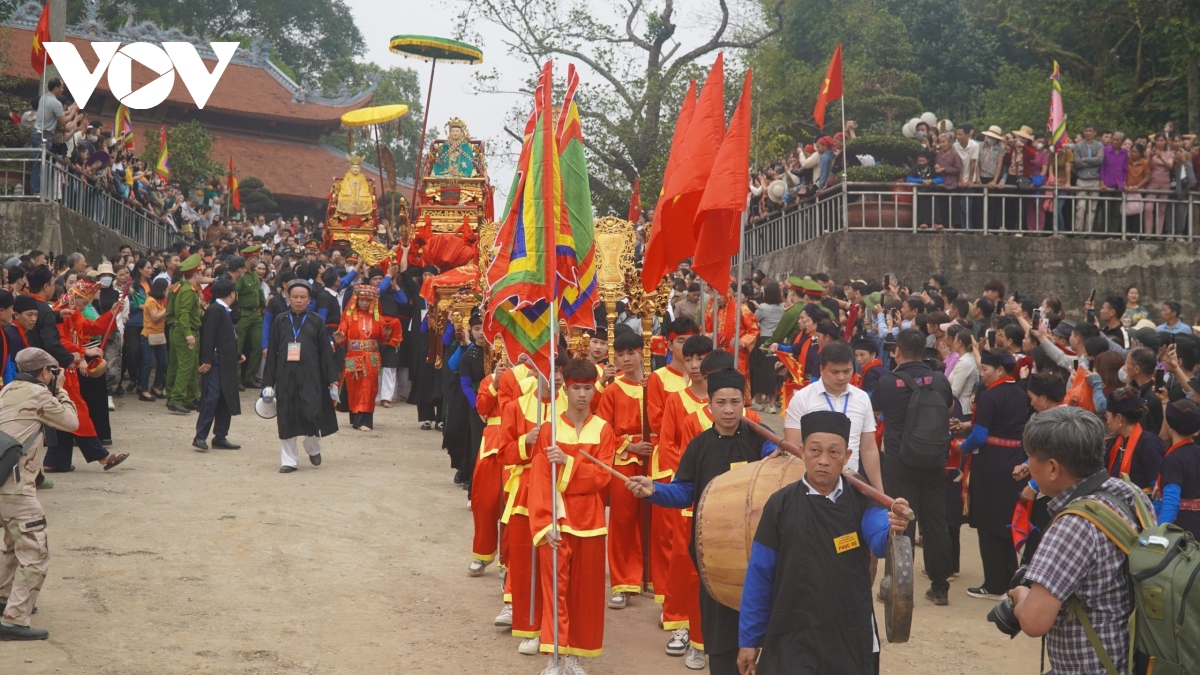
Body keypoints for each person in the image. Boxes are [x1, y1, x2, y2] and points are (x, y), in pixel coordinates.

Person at [626, 367, 778, 674]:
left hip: (755, 552)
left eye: (735, 402)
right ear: (708, 406)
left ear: (743, 403)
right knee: (721, 638)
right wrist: (654, 490)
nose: (728, 409)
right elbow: (684, 492)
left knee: (766, 632)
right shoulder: (699, 445)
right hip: (715, 554)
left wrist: (777, 453)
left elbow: (777, 465)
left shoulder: (760, 439)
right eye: (721, 402)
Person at [736, 410, 911, 675]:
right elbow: (760, 575)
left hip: (848, 630)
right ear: (802, 451)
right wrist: (749, 640)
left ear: (847, 457)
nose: (823, 461)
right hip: (792, 632)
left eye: (834, 453)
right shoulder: (780, 505)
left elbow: (879, 538)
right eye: (815, 451)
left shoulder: (861, 500)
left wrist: (893, 529)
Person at [1009, 406, 1151, 675]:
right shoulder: (1130, 494)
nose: (1028, 466)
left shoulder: (1073, 525)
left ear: (1052, 468)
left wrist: (1021, 594)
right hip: (1131, 659)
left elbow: (1033, 621)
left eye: (1030, 458)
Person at [527, 358, 618, 674]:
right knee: (554, 591)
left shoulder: (603, 430)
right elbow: (540, 477)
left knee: (585, 595)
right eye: (575, 387)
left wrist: (567, 462)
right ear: (564, 389)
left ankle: (575, 657)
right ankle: (554, 658)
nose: (582, 394)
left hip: (591, 523)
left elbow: (602, 478)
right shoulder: (550, 429)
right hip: (556, 521)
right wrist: (541, 524)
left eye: (587, 388)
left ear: (595, 390)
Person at [0, 348, 79, 640]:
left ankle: (4, 598)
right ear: (46, 371)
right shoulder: (41, 395)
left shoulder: (8, 389)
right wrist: (61, 392)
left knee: (11, 543)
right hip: (16, 488)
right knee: (35, 551)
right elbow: (72, 422)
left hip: (3, 483)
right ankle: (14, 620)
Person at [871, 329, 954, 605]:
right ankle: (940, 587)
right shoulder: (940, 380)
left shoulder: (886, 382)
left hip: (899, 461)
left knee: (900, 524)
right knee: (935, 523)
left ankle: (897, 585)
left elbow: (876, 413)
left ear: (897, 350)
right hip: (933, 461)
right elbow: (949, 407)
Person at [495, 354, 567, 656]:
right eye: (550, 371)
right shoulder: (517, 406)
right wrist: (527, 440)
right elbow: (504, 453)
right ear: (535, 373)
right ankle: (526, 621)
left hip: (564, 490)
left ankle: (557, 629)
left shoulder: (574, 406)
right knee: (525, 558)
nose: (557, 378)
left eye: (561, 371)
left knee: (559, 563)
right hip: (526, 489)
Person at [953, 349, 1028, 600]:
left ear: (999, 370)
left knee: (987, 522)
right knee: (1005, 520)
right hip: (1014, 460)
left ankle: (994, 584)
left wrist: (959, 447)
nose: (982, 373)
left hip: (990, 463)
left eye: (985, 369)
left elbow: (979, 437)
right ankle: (1009, 577)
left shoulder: (990, 395)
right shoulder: (1020, 393)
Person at [594, 330, 652, 609]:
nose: (626, 359)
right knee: (623, 522)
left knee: (654, 522)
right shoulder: (612, 390)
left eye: (631, 353)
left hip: (654, 461)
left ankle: (650, 579)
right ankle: (623, 582)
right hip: (624, 464)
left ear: (642, 352)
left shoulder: (656, 385)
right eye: (620, 355)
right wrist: (629, 446)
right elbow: (603, 430)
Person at [261, 279, 340, 473]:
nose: (298, 301)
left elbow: (325, 352)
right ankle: (289, 461)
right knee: (286, 418)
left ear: (309, 299)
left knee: (312, 414)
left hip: (311, 376)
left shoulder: (316, 321)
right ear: (288, 298)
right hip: (285, 375)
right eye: (294, 297)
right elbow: (272, 353)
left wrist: (332, 377)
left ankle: (312, 447)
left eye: (302, 297)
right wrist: (268, 382)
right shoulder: (280, 321)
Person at [783, 341, 881, 490]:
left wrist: (879, 490)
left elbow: (868, 449)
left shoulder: (861, 398)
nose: (841, 377)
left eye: (847, 371)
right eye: (834, 372)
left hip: (850, 483)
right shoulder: (803, 398)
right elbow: (794, 448)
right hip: (812, 484)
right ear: (821, 369)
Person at [333, 285, 400, 432]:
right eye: (361, 300)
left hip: (372, 357)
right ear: (356, 300)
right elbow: (342, 339)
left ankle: (365, 420)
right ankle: (356, 418)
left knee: (369, 388)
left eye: (367, 301)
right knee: (354, 387)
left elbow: (383, 340)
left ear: (373, 302)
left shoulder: (379, 319)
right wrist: (338, 340)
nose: (364, 303)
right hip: (353, 355)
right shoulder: (349, 318)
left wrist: (387, 334)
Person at [192, 279, 242, 452]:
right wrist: (206, 360)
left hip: (226, 360)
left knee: (224, 398)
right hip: (215, 361)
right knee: (211, 397)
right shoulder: (215, 310)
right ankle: (200, 436)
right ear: (232, 294)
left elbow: (226, 338)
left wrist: (237, 354)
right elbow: (209, 337)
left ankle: (220, 435)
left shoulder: (224, 311)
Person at [1103, 386, 1165, 491]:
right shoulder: (1115, 442)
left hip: (1142, 504)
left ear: (1118, 417)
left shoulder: (1149, 444)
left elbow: (1158, 487)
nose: (1107, 421)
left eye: (1107, 416)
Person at [1154, 399, 1200, 536]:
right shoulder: (1197, 451)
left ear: (1169, 426)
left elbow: (1170, 502)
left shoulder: (1174, 459)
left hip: (1184, 532)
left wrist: (1158, 535)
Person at [165, 254, 202, 414]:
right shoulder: (187, 290)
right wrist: (188, 334)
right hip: (185, 331)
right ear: (195, 274)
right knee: (185, 367)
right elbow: (183, 313)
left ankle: (187, 398)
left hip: (182, 330)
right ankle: (177, 399)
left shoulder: (187, 288)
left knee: (189, 366)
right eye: (200, 273)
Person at [235, 244, 266, 388]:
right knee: (238, 345)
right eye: (255, 257)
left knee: (258, 345)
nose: (257, 259)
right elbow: (235, 293)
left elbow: (258, 291)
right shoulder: (241, 274)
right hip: (243, 312)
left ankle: (250, 377)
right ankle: (237, 378)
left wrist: (264, 306)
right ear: (249, 258)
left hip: (256, 313)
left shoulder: (254, 273)